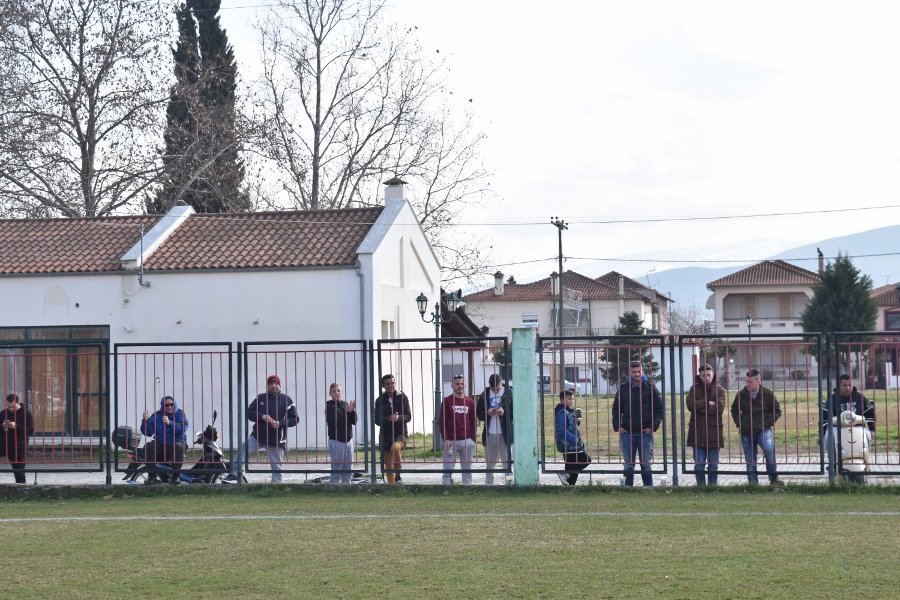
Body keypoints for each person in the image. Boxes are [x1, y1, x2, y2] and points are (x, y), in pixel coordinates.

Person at [228, 374, 299, 483]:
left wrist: (280, 423)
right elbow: (249, 412)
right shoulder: (260, 398)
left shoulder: (287, 400)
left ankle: (276, 487)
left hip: (276, 439)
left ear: (279, 385)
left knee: (276, 467)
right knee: (243, 448)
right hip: (258, 436)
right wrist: (262, 416)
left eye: (276, 383)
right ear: (267, 386)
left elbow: (294, 419)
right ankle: (234, 475)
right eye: (271, 384)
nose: (273, 386)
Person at [611, 361, 663, 487]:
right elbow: (616, 409)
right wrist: (618, 426)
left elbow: (659, 410)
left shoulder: (651, 388)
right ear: (629, 373)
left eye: (639, 371)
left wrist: (652, 427)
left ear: (642, 372)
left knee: (646, 464)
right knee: (628, 464)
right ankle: (628, 489)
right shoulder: (623, 389)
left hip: (645, 433)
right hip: (627, 433)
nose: (637, 374)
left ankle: (648, 490)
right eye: (634, 372)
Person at [731, 369, 783, 486]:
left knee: (769, 451)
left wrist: (767, 423)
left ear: (758, 381)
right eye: (746, 381)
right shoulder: (740, 395)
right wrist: (740, 423)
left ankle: (773, 479)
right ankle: (753, 484)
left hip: (763, 430)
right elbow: (734, 410)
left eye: (750, 382)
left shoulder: (768, 394)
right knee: (750, 460)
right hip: (746, 432)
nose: (747, 384)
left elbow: (777, 411)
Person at [823, 374, 876, 478]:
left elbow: (870, 414)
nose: (848, 388)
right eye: (844, 385)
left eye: (850, 385)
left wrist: (872, 429)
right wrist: (822, 433)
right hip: (836, 429)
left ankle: (866, 461)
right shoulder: (832, 399)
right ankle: (832, 464)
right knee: (827, 438)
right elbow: (824, 418)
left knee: (868, 436)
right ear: (839, 386)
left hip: (858, 428)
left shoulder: (860, 398)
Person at [685, 363, 726, 486]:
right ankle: (701, 488)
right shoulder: (693, 389)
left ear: (713, 375)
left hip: (714, 433)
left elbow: (719, 408)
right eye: (704, 375)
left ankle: (712, 487)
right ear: (700, 376)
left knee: (713, 467)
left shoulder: (720, 390)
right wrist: (707, 402)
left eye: (709, 375)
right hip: (697, 432)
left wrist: (700, 408)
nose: (706, 377)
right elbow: (690, 405)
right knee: (699, 466)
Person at [476, 373, 514, 484]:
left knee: (507, 462)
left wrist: (504, 412)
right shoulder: (484, 394)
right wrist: (487, 413)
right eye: (493, 389)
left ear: (501, 383)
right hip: (490, 433)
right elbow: (479, 414)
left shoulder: (510, 393)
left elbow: (515, 413)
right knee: (489, 463)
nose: (495, 390)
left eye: (497, 388)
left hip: (505, 433)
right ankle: (489, 484)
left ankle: (509, 483)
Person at [140, 395, 188, 483]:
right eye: (167, 405)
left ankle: (175, 476)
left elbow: (182, 429)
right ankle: (152, 476)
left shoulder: (180, 414)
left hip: (176, 444)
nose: (169, 407)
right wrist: (145, 421)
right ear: (163, 406)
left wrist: (170, 423)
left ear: (175, 404)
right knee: (148, 446)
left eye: (171, 404)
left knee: (178, 447)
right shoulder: (156, 415)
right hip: (161, 445)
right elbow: (148, 432)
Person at [439, 373, 477, 485]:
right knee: (447, 468)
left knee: (467, 469)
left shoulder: (470, 402)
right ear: (452, 386)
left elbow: (474, 422)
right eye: (457, 384)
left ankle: (467, 488)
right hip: (451, 441)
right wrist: (445, 439)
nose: (460, 386)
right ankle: (446, 487)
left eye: (462, 384)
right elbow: (442, 422)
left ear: (464, 385)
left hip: (467, 441)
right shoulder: (447, 401)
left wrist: (473, 440)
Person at [374, 374, 411, 484]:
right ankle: (391, 487)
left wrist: (398, 418)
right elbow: (377, 420)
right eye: (388, 384)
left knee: (395, 448)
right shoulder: (379, 400)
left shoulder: (403, 397)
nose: (391, 385)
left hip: (400, 433)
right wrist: (388, 419)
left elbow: (408, 416)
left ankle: (398, 475)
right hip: (385, 435)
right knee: (388, 463)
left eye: (393, 383)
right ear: (383, 386)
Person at [554, 389, 591, 485]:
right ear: (562, 400)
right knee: (585, 460)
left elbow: (571, 426)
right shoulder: (562, 412)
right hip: (569, 444)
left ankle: (569, 486)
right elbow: (562, 430)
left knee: (572, 466)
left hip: (571, 445)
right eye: (569, 398)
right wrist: (574, 439)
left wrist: (576, 421)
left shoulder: (568, 411)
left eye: (572, 399)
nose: (571, 400)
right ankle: (565, 475)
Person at [324, 382, 357, 484]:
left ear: (341, 392)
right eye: (334, 391)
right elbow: (334, 420)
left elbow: (354, 421)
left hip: (348, 441)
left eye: (338, 391)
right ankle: (334, 489)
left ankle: (347, 489)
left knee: (348, 469)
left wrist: (352, 411)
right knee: (337, 469)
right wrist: (348, 412)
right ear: (330, 393)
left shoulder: (345, 404)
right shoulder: (329, 406)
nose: (337, 393)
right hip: (337, 441)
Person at [1, 393, 34, 483]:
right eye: (9, 406)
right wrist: (3, 426)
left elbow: (30, 431)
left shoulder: (26, 413)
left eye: (13, 407)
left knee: (19, 471)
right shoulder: (4, 413)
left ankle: (21, 489)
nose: (11, 409)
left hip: (19, 446)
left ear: (18, 402)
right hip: (4, 443)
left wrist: (16, 426)